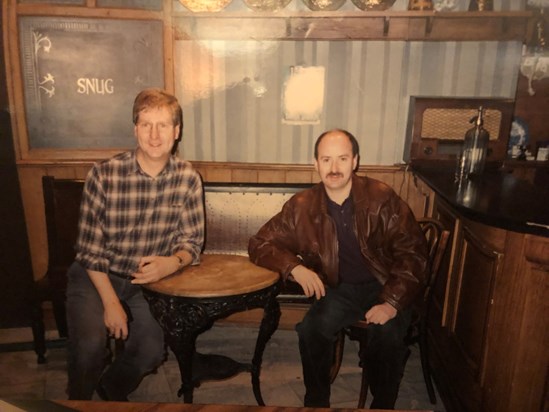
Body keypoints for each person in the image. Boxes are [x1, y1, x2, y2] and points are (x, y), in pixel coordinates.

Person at [248, 129, 428, 409]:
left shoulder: (381, 198)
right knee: (311, 330)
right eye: (326, 159)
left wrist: (391, 303)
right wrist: (294, 268)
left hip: (384, 284)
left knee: (387, 334)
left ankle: (383, 403)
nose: (334, 168)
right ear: (315, 163)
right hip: (338, 288)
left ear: (355, 161)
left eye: (342, 159)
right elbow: (260, 243)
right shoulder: (301, 207)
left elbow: (413, 253)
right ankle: (316, 401)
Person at [66, 88, 205, 401]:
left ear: (177, 131)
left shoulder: (188, 178)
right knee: (89, 347)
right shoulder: (104, 175)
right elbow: (90, 250)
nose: (155, 135)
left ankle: (112, 389)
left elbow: (192, 241)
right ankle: (76, 401)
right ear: (135, 129)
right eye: (146, 125)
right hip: (96, 274)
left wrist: (172, 262)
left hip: (149, 279)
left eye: (163, 125)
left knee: (152, 350)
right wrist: (110, 302)